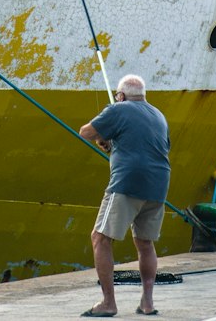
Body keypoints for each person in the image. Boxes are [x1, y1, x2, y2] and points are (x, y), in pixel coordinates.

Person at [78, 74, 170, 319]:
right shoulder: (158, 115)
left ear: (120, 95)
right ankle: (147, 303)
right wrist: (111, 142)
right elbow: (152, 145)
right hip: (158, 185)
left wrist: (102, 136)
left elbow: (85, 132)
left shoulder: (118, 108)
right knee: (145, 242)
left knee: (100, 238)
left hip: (127, 182)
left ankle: (108, 303)